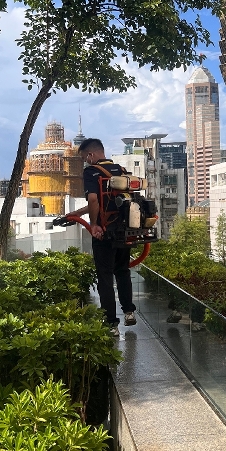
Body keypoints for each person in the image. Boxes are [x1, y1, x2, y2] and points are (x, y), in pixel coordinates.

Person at [73, 138, 137, 334]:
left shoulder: (91, 172)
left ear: (91, 155)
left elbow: (94, 199)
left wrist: (94, 225)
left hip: (104, 232)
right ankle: (129, 312)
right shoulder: (120, 171)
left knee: (105, 277)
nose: (85, 162)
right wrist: (77, 213)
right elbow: (104, 200)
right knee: (123, 271)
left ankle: (111, 324)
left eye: (85, 158)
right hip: (125, 230)